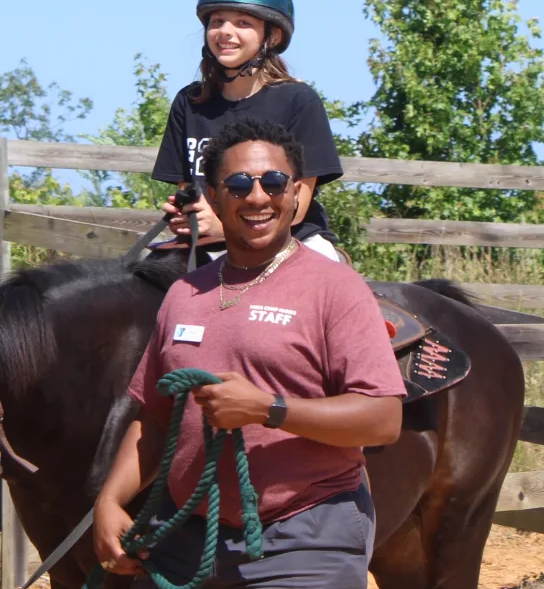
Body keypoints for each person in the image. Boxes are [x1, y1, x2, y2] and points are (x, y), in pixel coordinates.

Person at [96, 118, 406, 588]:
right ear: (215, 198)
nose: (258, 197)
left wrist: (270, 410)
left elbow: (383, 418)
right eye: (239, 184)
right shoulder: (183, 294)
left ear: (297, 195)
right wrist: (110, 501)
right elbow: (157, 418)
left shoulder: (336, 289)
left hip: (304, 536)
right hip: (188, 537)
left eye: (274, 182)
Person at [152, 0, 346, 263]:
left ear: (272, 36)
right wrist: (186, 215)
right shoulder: (188, 103)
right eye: (217, 21)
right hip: (207, 242)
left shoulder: (299, 102)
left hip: (288, 239)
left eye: (242, 23)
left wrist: (223, 228)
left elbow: (298, 207)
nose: (225, 32)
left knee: (329, 275)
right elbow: (190, 191)